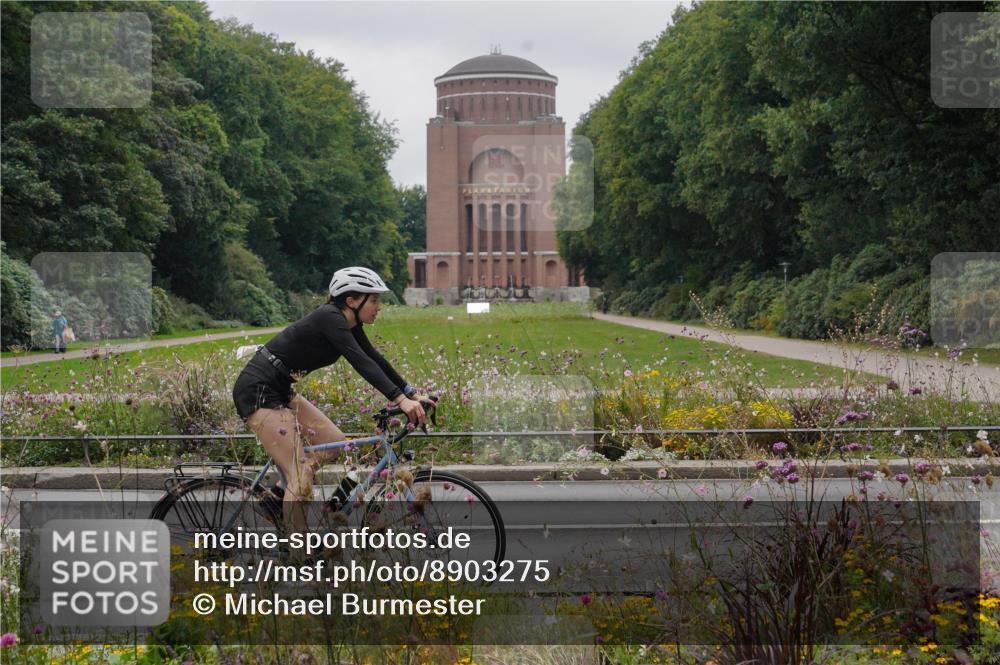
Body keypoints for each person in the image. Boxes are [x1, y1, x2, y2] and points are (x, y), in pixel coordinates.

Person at [231, 267, 429, 527]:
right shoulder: (329, 317)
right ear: (351, 301)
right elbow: (359, 361)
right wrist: (400, 400)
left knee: (335, 443)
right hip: (258, 389)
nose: (379, 306)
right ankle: (298, 558)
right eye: (374, 300)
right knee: (299, 477)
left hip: (280, 389)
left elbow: (373, 357)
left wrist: (409, 391)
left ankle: (276, 500)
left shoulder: (349, 322)